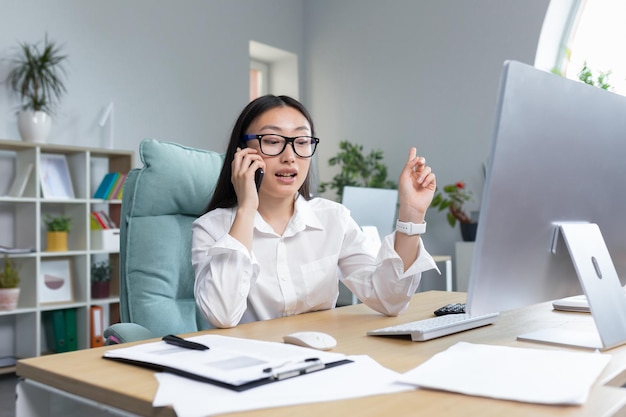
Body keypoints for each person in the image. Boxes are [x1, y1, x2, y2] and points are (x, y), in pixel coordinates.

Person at [192, 95, 439, 328]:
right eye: (272, 141)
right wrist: (246, 209)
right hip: (252, 364)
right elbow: (221, 315)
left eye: (301, 142)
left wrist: (412, 213)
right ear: (242, 152)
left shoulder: (334, 218)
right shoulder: (212, 228)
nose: (290, 157)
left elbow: (389, 299)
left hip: (322, 359)